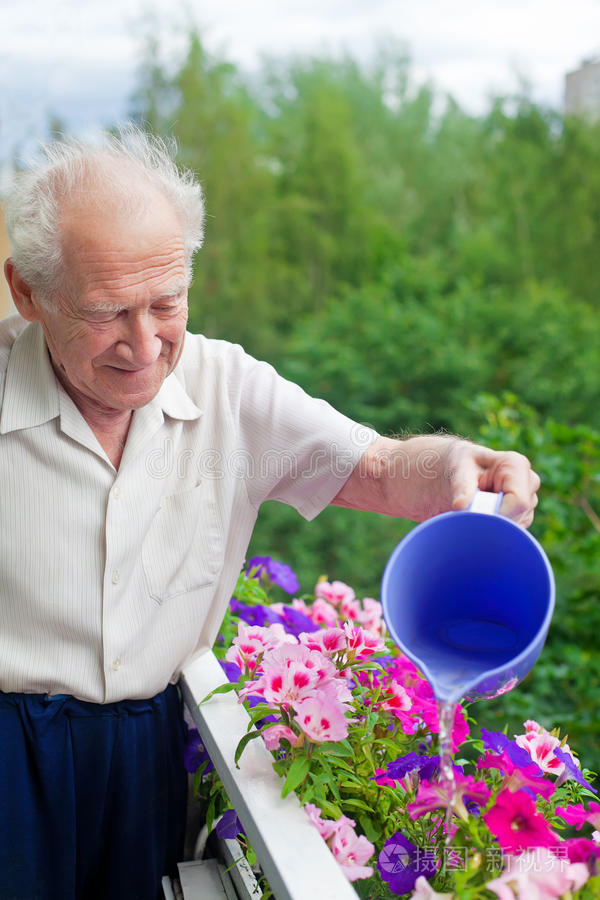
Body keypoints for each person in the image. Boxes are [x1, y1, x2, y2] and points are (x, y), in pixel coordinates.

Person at [0, 127, 539, 900]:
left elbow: (380, 468)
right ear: (28, 294)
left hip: (148, 757)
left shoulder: (230, 388)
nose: (143, 345)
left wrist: (459, 464)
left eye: (166, 303)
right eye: (107, 312)